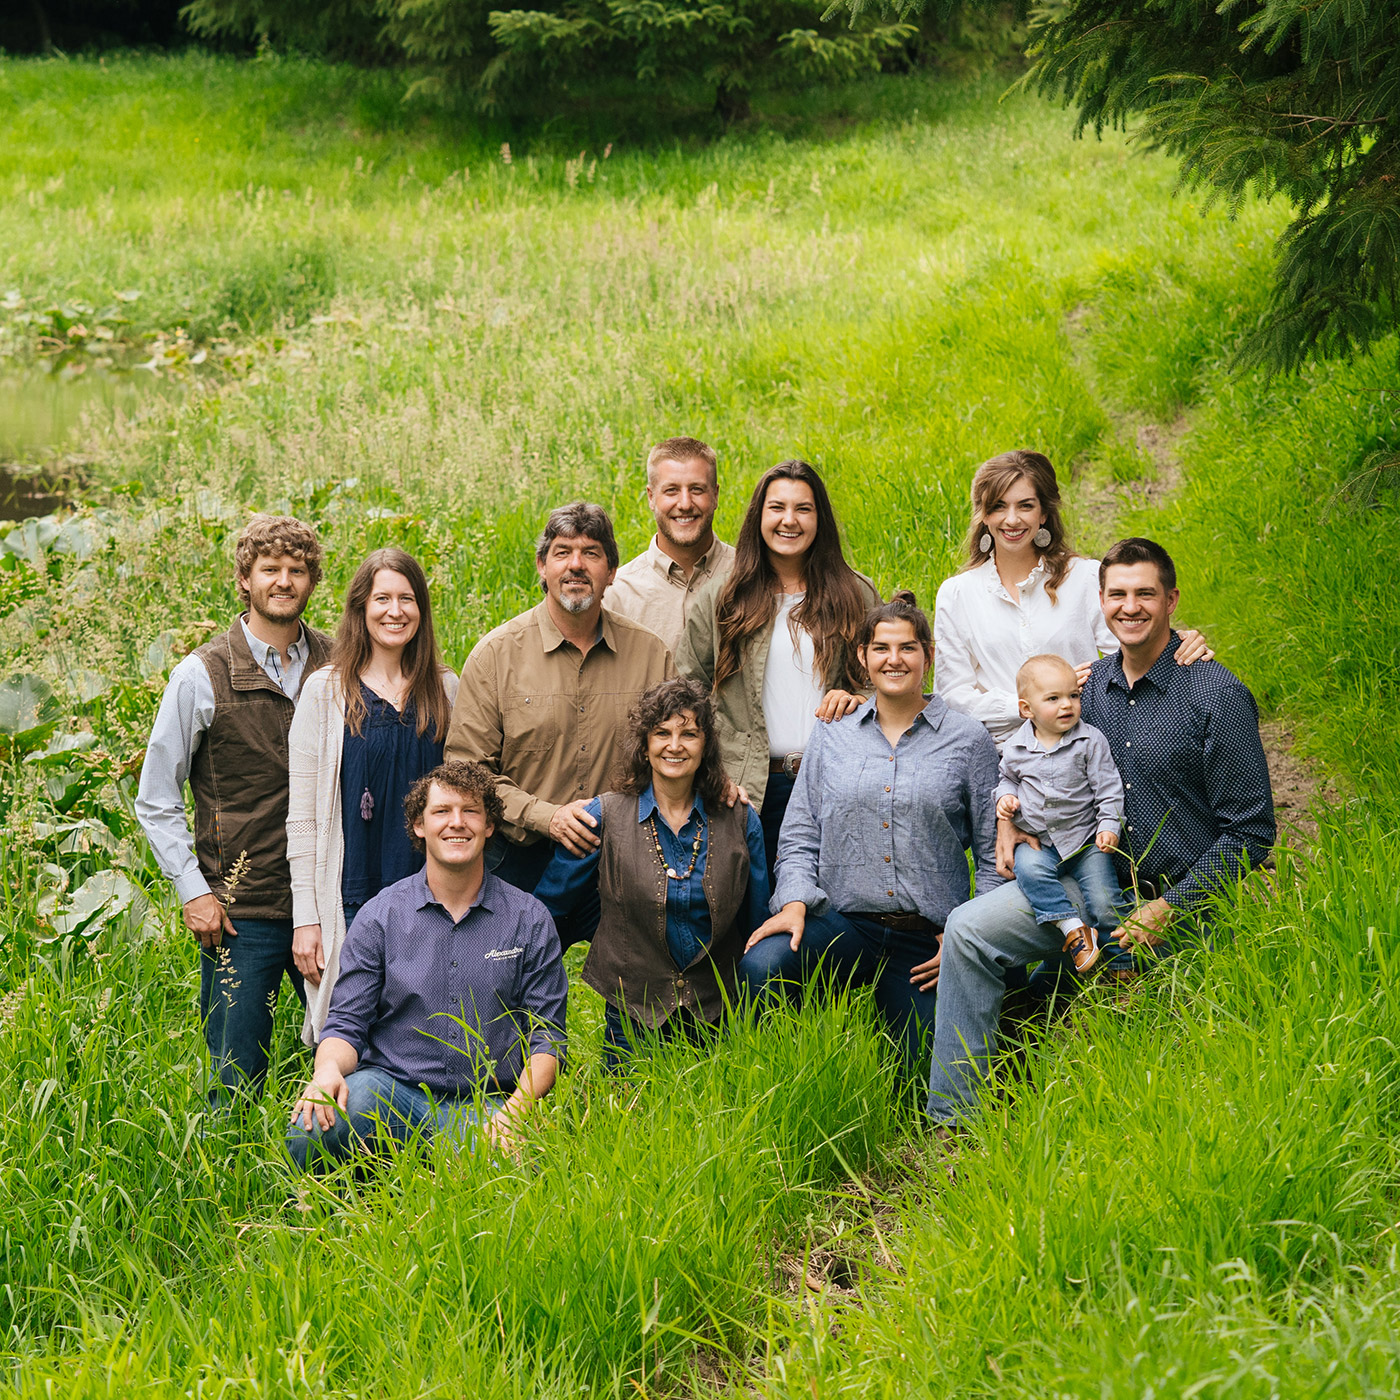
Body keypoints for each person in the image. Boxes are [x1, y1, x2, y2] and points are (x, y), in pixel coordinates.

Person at [926, 538, 1276, 1128]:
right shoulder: (1086, 692)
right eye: (1118, 594)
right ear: (1102, 602)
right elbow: (1043, 771)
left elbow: (1251, 834)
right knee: (967, 929)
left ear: (1172, 601)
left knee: (1186, 1044)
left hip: (1187, 900)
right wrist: (1011, 825)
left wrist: (1171, 906)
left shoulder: (1215, 694)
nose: (1130, 607)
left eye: (1145, 594)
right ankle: (954, 1121)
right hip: (1087, 879)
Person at [738, 593, 1001, 1068]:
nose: (894, 659)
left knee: (921, 1077)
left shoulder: (968, 739)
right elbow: (799, 834)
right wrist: (794, 900)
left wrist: (967, 934)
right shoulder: (832, 733)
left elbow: (992, 852)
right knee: (762, 965)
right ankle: (789, 1078)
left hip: (926, 940)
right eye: (881, 648)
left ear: (929, 655)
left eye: (907, 648)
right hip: (843, 923)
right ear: (862, 657)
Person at [136, 514, 330, 1104]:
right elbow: (156, 797)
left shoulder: (338, 662)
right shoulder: (201, 675)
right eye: (270, 569)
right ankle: (234, 1183)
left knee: (355, 1060)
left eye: (297, 571)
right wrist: (193, 892)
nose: (284, 581)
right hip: (242, 911)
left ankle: (344, 1181)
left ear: (312, 583)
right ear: (244, 580)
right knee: (235, 1080)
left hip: (329, 903)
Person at [285, 761, 567, 1169]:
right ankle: (337, 1209)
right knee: (312, 1127)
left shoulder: (528, 918)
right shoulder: (380, 916)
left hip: (487, 1102)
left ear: (489, 826)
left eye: (471, 811)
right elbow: (346, 1023)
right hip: (392, 1094)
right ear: (419, 825)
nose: (457, 823)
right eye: (442, 812)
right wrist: (326, 1072)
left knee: (534, 1165)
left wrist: (516, 1113)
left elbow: (548, 1038)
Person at [445, 502, 674, 946]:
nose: (575, 565)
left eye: (591, 553)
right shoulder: (496, 656)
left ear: (612, 570)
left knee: (639, 984)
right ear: (541, 566)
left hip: (620, 855)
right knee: (503, 988)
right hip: (519, 855)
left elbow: (674, 753)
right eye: (563, 552)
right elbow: (465, 772)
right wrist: (546, 817)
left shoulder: (651, 655)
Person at [534, 678, 769, 1069]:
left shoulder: (741, 821)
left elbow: (758, 925)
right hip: (632, 1014)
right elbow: (547, 911)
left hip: (720, 1012)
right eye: (662, 733)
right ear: (644, 745)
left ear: (706, 744)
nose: (674, 745)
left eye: (688, 734)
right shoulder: (604, 816)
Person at [286, 548, 458, 1047]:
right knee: (353, 1028)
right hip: (352, 889)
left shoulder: (446, 689)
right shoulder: (325, 692)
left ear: (421, 611)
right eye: (382, 598)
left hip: (430, 889)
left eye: (407, 599)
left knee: (428, 1028)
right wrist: (307, 919)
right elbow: (302, 818)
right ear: (361, 608)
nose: (395, 610)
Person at [676, 460, 879, 879]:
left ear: (819, 518)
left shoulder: (854, 592)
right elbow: (687, 694)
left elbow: (891, 684)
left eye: (803, 509)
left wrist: (859, 699)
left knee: (834, 915)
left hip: (835, 781)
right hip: (749, 787)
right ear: (759, 516)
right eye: (777, 508)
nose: (790, 521)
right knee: (758, 913)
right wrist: (712, 775)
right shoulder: (722, 596)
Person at [934, 449, 1213, 749]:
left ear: (1043, 513)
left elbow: (1138, 649)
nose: (1011, 519)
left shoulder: (1084, 578)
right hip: (1001, 763)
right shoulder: (957, 594)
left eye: (1025, 506)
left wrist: (1181, 643)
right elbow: (953, 698)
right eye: (999, 506)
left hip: (1082, 754)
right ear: (984, 515)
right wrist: (1025, 706)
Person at [995, 653, 1127, 977]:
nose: (1067, 705)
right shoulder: (1016, 748)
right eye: (1053, 698)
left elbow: (1109, 789)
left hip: (1085, 839)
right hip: (1040, 841)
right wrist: (1006, 799)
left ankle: (1123, 967)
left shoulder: (1089, 741)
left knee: (1104, 899)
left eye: (1073, 696)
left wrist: (1109, 825)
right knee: (1028, 870)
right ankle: (1072, 928)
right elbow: (1006, 779)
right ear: (1027, 709)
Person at [605, 436, 736, 653]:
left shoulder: (751, 577)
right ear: (651, 497)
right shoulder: (616, 595)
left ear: (715, 495)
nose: (685, 504)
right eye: (671, 490)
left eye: (696, 489)